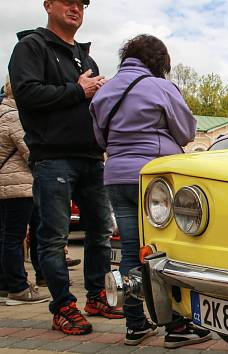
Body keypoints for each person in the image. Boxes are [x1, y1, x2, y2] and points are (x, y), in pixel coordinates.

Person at [8, 0, 123, 335]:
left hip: (90, 157)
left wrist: (101, 96)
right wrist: (79, 89)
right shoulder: (31, 47)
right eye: (68, 2)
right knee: (53, 236)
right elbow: (27, 94)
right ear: (47, 5)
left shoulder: (85, 58)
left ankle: (97, 296)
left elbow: (88, 102)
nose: (76, 8)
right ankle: (62, 306)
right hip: (53, 157)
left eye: (81, 4)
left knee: (101, 232)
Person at [90, 34, 210, 348]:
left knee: (130, 251)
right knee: (165, 251)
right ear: (159, 62)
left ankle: (135, 325)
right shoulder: (161, 87)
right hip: (153, 179)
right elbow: (185, 132)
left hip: (116, 176)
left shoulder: (106, 92)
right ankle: (176, 326)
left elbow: (100, 140)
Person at [0, 77, 50, 306]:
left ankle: (5, 283)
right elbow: (31, 150)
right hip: (18, 185)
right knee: (15, 237)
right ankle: (19, 287)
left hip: (6, 185)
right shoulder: (14, 116)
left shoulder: (1, 113)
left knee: (7, 236)